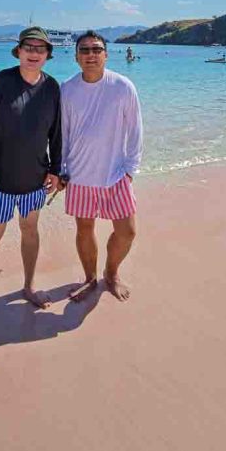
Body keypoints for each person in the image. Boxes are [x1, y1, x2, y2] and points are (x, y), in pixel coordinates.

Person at [0, 26, 62, 331]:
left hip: (35, 179)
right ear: (19, 51)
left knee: (30, 229)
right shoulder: (1, 82)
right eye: (28, 47)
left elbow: (57, 133)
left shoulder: (52, 88)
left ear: (47, 55)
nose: (34, 53)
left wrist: (56, 170)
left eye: (40, 49)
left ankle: (29, 287)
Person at [60, 30, 143, 303]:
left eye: (96, 50)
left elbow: (136, 130)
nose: (91, 55)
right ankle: (89, 278)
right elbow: (61, 134)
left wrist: (131, 169)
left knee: (127, 231)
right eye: (84, 50)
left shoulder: (123, 86)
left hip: (116, 174)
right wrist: (61, 169)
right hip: (79, 175)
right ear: (76, 57)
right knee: (84, 229)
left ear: (106, 55)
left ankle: (111, 273)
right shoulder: (67, 90)